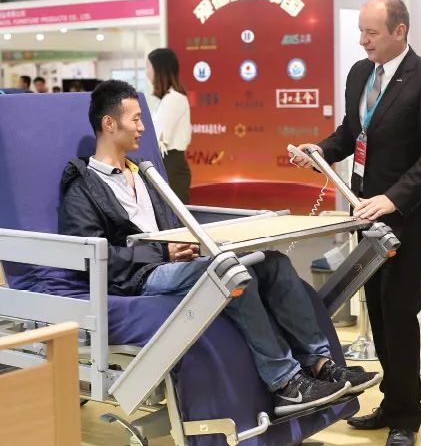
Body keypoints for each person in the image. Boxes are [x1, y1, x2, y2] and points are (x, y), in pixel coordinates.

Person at [58, 80, 381, 417]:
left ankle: (320, 364)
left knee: (273, 263)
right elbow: (93, 257)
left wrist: (189, 246)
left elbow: (176, 225)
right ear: (109, 123)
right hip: (138, 276)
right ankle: (285, 383)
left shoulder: (144, 174)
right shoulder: (84, 187)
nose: (142, 127)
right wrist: (163, 253)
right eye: (135, 119)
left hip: (175, 261)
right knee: (230, 272)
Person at [294, 0, 421, 445]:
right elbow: (353, 132)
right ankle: (391, 400)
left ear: (400, 31)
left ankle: (407, 416)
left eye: (372, 33)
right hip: (363, 211)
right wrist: (321, 151)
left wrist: (393, 198)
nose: (363, 41)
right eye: (361, 32)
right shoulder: (360, 74)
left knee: (399, 311)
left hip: (406, 214)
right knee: (378, 311)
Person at [147, 48, 192, 204]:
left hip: (170, 165)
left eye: (149, 67)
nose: (147, 72)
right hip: (167, 164)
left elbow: (161, 138)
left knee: (174, 216)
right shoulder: (166, 99)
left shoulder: (173, 98)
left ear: (159, 69)